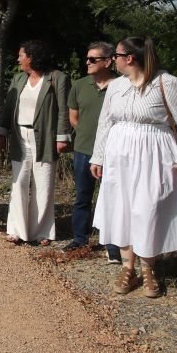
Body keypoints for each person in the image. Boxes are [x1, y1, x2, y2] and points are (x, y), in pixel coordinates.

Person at [90, 36, 177, 298]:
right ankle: (128, 267)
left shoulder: (167, 83)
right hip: (119, 152)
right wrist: (98, 156)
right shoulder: (116, 86)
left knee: (148, 208)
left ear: (130, 58)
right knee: (122, 208)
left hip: (155, 153)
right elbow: (105, 122)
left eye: (116, 55)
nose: (112, 60)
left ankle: (149, 267)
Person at [0, 39, 70, 245]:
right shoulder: (19, 79)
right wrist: (1, 133)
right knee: (18, 183)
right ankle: (16, 230)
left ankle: (42, 232)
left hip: (45, 138)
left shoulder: (57, 79)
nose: (18, 59)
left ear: (32, 57)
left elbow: (63, 109)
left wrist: (62, 137)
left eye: (21, 55)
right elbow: (8, 107)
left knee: (43, 185)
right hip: (20, 137)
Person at [66, 41, 122, 263]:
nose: (87, 62)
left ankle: (112, 244)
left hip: (114, 154)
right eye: (87, 58)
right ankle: (79, 239)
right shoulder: (79, 85)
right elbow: (73, 116)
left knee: (112, 199)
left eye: (93, 59)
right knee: (82, 197)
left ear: (108, 62)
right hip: (83, 151)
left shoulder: (122, 87)